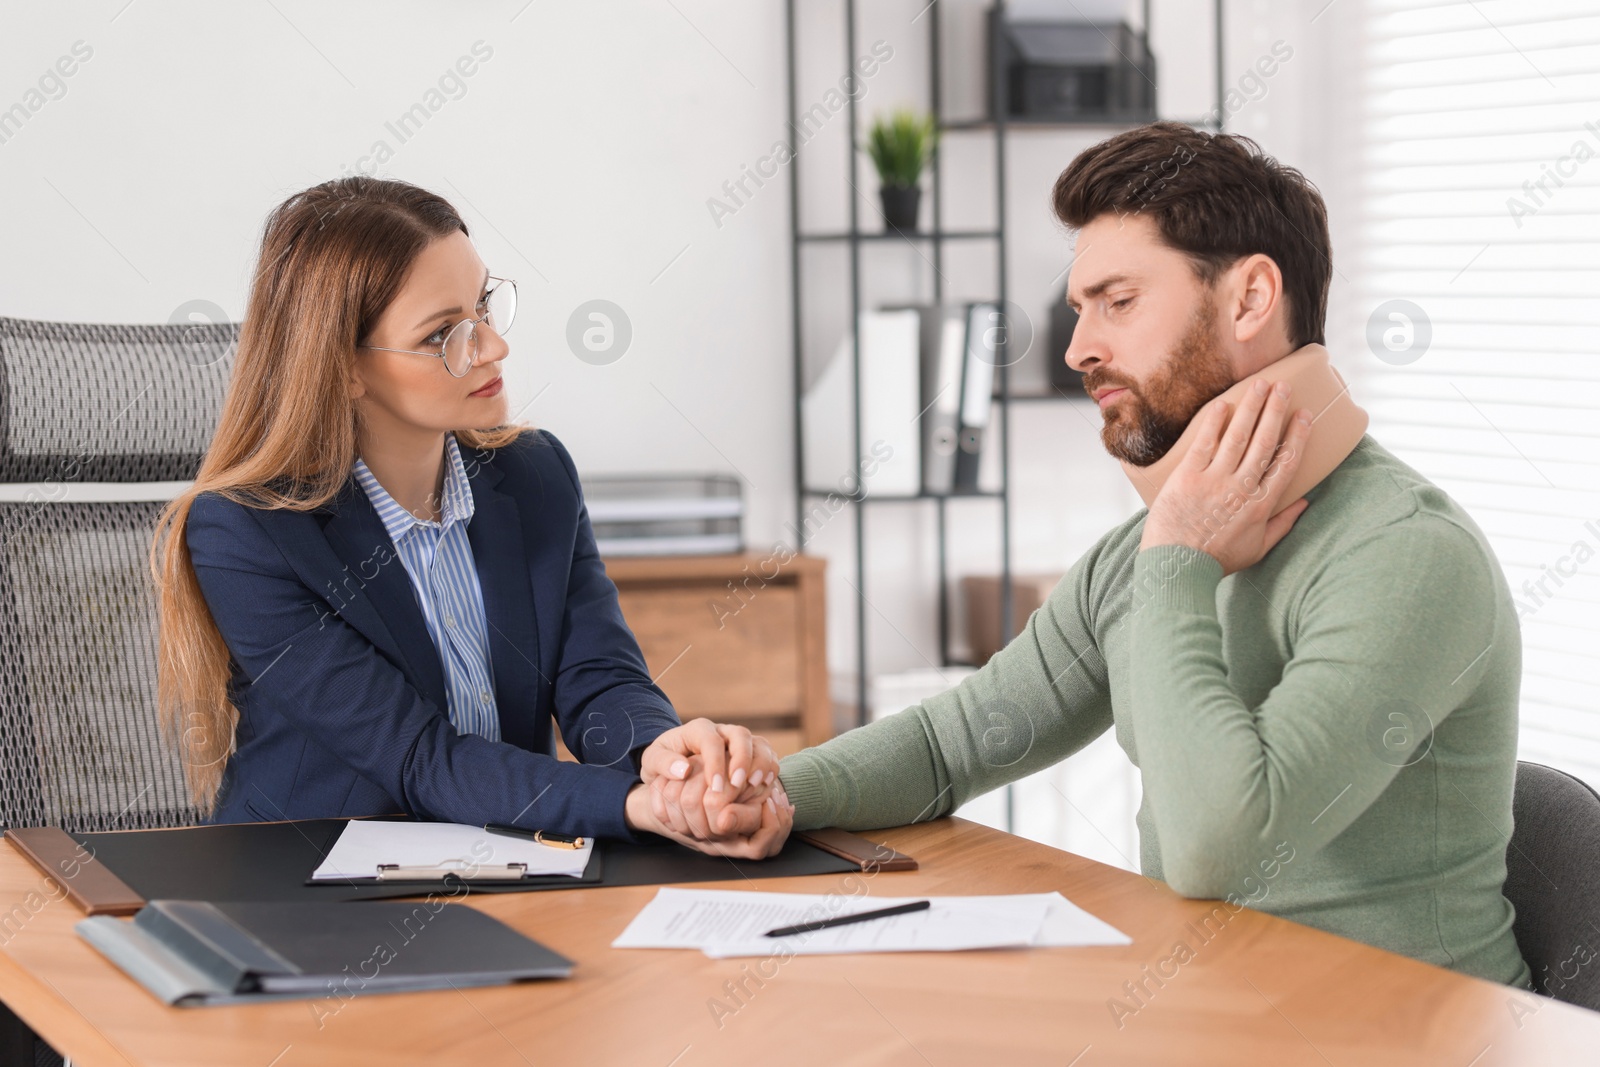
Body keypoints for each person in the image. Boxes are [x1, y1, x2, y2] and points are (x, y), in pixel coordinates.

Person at [651, 122, 1533, 989]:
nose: (1078, 349)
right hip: (1214, 1016)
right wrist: (756, 791)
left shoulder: (1408, 555)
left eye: (1119, 301)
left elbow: (1215, 850)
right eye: (1080, 310)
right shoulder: (1145, 556)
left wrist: (1180, 558)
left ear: (1250, 298)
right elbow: (949, 747)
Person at [149, 177, 792, 856]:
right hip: (305, 891)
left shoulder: (535, 474)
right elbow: (421, 758)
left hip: (506, 863)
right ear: (342, 368)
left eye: (483, 306)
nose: (491, 348)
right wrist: (638, 805)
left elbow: (599, 676)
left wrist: (668, 761)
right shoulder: (247, 533)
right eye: (441, 336)